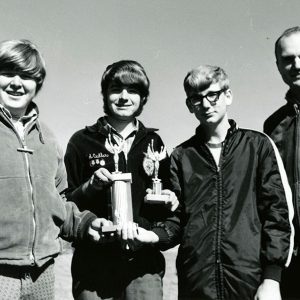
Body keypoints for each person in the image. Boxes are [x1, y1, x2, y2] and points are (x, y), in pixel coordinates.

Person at [167, 65, 294, 299]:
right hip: (196, 283)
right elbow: (175, 221)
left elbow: (278, 214)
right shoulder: (180, 156)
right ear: (189, 105)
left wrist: (271, 280)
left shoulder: (258, 145)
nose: (206, 104)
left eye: (212, 95)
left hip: (250, 281)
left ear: (228, 95)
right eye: (196, 98)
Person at [64, 60, 178, 300]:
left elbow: (170, 207)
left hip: (143, 265)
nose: (124, 97)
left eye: (133, 90)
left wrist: (169, 199)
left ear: (143, 98)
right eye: (116, 89)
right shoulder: (81, 141)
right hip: (93, 266)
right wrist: (89, 187)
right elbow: (66, 202)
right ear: (104, 94)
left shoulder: (155, 144)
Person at [0, 39, 104, 300]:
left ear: (38, 84)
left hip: (42, 273)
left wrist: (85, 223)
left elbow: (59, 201)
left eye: (26, 76)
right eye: (7, 73)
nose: (16, 82)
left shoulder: (48, 138)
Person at [264, 26, 300, 299]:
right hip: (292, 255)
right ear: (277, 65)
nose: (296, 65)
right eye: (288, 59)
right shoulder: (273, 124)